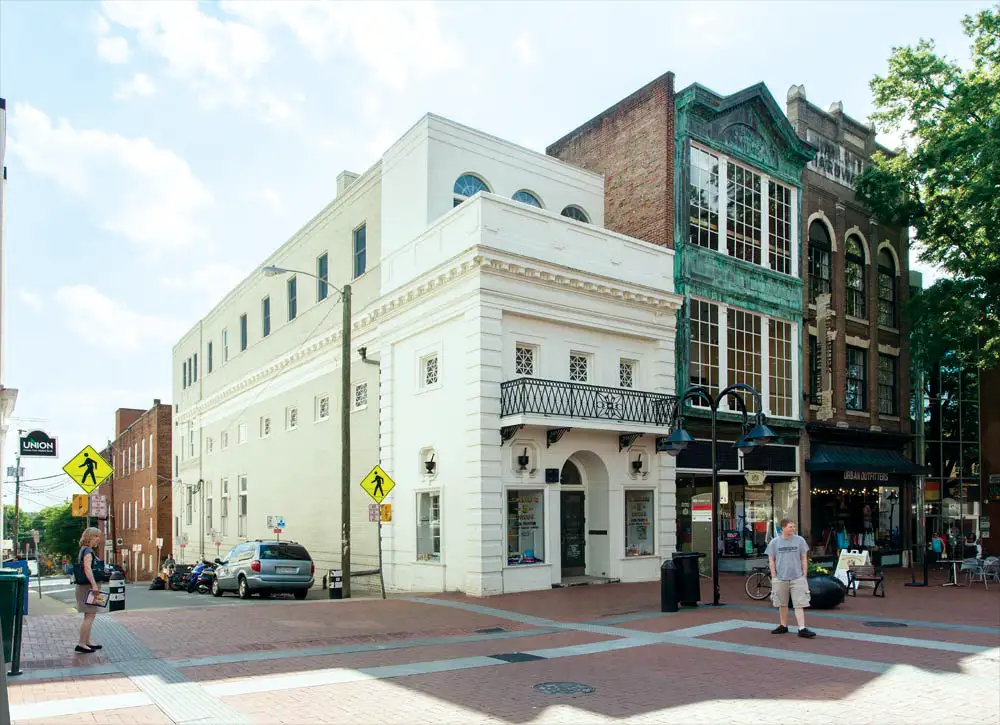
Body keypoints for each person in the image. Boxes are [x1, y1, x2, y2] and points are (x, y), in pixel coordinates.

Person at [765, 518, 816, 639]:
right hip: (780, 577)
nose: (793, 529)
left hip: (797, 577)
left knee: (799, 604)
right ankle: (783, 625)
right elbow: (771, 559)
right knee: (782, 603)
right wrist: (774, 576)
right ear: (783, 528)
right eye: (790, 527)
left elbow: (803, 557)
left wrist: (804, 573)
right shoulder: (775, 542)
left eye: (794, 527)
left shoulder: (800, 541)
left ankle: (802, 628)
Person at [75, 527, 106, 654]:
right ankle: (82, 643)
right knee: (89, 615)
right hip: (88, 587)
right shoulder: (88, 551)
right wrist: (94, 585)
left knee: (90, 615)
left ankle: (87, 641)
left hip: (86, 587)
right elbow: (88, 568)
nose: (99, 539)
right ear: (91, 537)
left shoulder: (85, 550)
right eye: (97, 536)